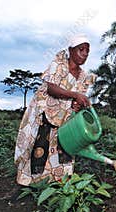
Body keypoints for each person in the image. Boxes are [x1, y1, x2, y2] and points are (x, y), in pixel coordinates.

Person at [14, 34, 96, 186]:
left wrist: (78, 104)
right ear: (71, 50)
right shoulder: (58, 65)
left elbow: (77, 99)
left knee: (63, 146)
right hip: (45, 113)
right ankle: (32, 183)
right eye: (81, 49)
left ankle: (59, 182)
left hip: (65, 117)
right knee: (40, 146)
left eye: (87, 51)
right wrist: (74, 95)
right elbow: (52, 89)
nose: (84, 54)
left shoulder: (84, 76)